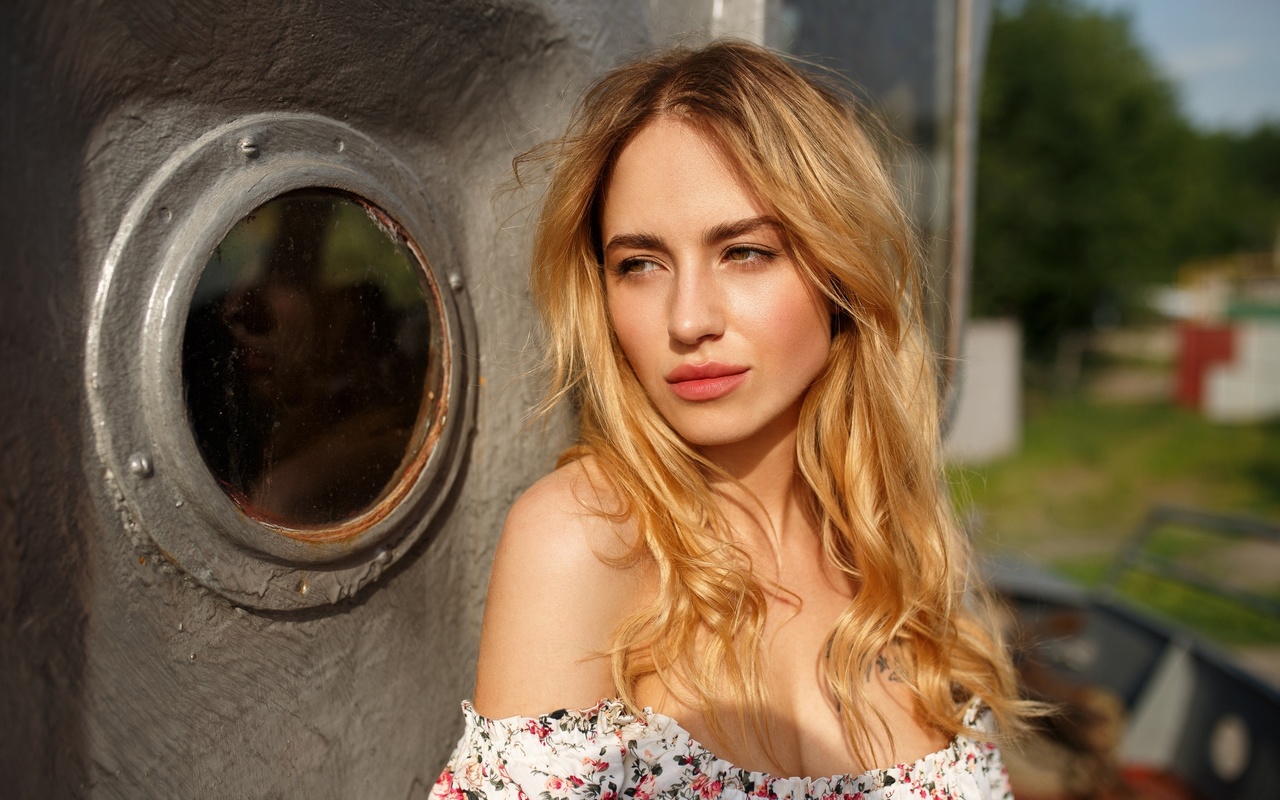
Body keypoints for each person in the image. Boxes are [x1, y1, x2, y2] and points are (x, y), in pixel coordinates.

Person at [431, 40, 1031, 800]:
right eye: (639, 265)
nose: (688, 321)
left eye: (744, 252)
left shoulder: (900, 549)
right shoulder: (584, 542)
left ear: (840, 270)